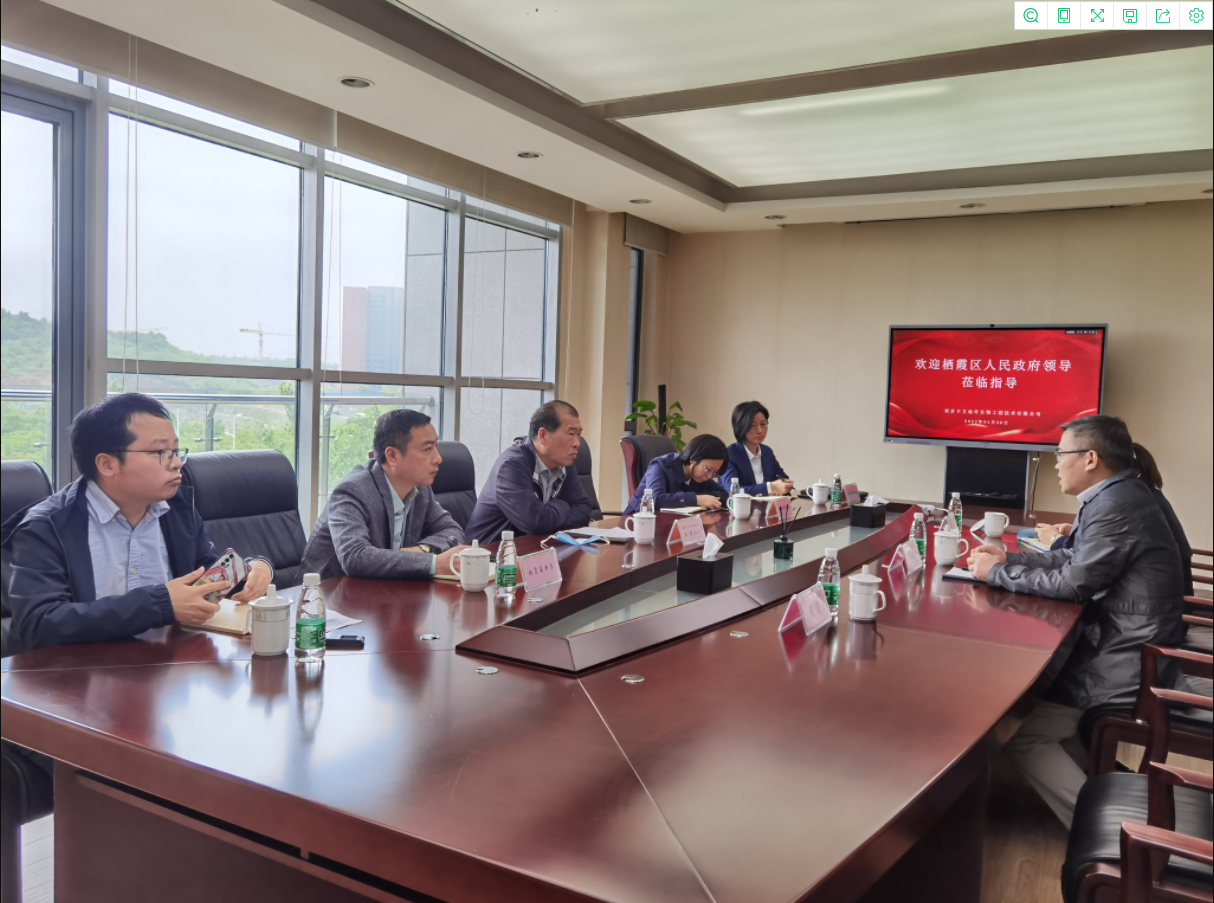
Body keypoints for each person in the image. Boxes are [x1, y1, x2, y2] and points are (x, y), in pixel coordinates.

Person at [965, 415, 1186, 829]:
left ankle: (1106, 831)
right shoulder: (1116, 494)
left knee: (1021, 731)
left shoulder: (1116, 504)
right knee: (1041, 709)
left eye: (1060, 453)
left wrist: (996, 574)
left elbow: (1073, 584)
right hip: (1132, 642)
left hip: (1130, 658)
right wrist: (1009, 559)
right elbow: (1075, 559)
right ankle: (1108, 788)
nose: (1055, 463)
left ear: (1090, 458)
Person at [2, 393, 273, 652]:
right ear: (107, 464)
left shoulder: (177, 510)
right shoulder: (46, 527)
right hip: (73, 673)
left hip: (161, 662)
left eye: (176, 451)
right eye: (161, 452)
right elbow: (37, 624)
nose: (177, 464)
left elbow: (207, 580)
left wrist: (254, 568)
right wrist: (159, 604)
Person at [301, 410, 467, 580]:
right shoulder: (352, 491)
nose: (438, 458)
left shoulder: (421, 490)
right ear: (392, 456)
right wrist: (434, 563)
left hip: (385, 588)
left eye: (436, 447)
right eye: (427, 449)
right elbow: (354, 556)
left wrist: (424, 549)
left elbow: (452, 531)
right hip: (325, 592)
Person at [1035, 442, 1194, 595]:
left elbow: (1091, 566)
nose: (1058, 465)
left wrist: (1056, 539)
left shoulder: (1125, 502)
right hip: (1162, 596)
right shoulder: (1145, 494)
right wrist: (1081, 532)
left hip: (1160, 602)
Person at [465, 401, 594, 544]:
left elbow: (583, 510)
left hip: (535, 548)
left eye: (578, 435)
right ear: (543, 436)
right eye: (571, 434)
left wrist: (545, 513)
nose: (577, 443)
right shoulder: (512, 465)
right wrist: (563, 505)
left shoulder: (564, 463)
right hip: (491, 552)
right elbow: (534, 523)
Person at [623, 434, 730, 515]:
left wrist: (704, 498)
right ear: (693, 459)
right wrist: (697, 499)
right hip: (635, 522)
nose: (710, 476)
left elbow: (724, 494)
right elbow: (656, 499)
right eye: (709, 470)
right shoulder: (660, 465)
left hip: (672, 524)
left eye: (715, 473)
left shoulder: (701, 476)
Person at [719, 401, 794, 497]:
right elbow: (733, 492)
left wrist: (780, 489)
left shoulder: (767, 452)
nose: (760, 431)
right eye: (752, 425)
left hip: (768, 506)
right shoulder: (729, 454)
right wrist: (770, 487)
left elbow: (783, 479)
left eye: (763, 424)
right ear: (740, 427)